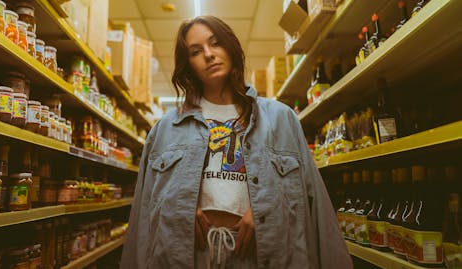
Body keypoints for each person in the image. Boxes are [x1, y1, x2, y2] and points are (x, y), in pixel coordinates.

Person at [120, 16, 352, 268]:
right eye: (196, 51)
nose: (209, 54)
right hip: (190, 254)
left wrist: (264, 210)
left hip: (259, 253)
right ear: (188, 65)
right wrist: (182, 206)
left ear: (230, 47)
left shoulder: (280, 118)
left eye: (215, 43)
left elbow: (315, 202)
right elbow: (143, 213)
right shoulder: (165, 128)